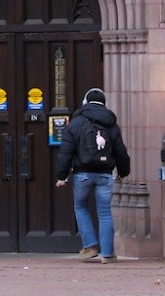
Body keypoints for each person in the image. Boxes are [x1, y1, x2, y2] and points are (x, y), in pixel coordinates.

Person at [54, 88, 131, 263]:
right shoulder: (111, 124)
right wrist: (123, 172)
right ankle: (108, 254)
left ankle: (89, 247)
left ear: (85, 102)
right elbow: (121, 152)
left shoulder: (76, 123)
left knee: (81, 207)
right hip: (104, 174)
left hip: (82, 174)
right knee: (104, 212)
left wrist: (62, 175)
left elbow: (66, 152)